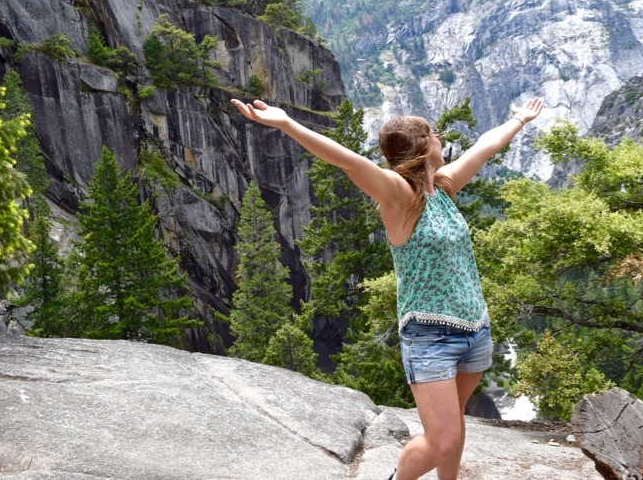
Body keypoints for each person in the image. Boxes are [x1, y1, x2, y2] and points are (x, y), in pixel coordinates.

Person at [231, 96, 544, 480]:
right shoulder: (399, 196)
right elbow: (349, 160)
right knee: (441, 439)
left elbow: (486, 145)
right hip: (431, 337)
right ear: (424, 145)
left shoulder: (442, 189)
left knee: (454, 427)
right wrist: (287, 124)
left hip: (475, 328)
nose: (442, 140)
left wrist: (519, 121)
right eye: (436, 134)